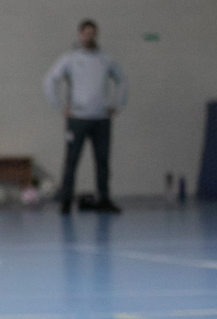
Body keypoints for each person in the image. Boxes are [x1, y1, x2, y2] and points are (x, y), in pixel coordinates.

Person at [44, 19, 128, 214]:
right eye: (86, 33)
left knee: (102, 161)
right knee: (72, 160)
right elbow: (50, 81)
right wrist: (60, 106)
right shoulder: (70, 59)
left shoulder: (105, 60)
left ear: (96, 35)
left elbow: (122, 81)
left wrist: (116, 106)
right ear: (80, 35)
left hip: (101, 119)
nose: (90, 36)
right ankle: (66, 199)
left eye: (93, 33)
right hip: (78, 119)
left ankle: (104, 198)